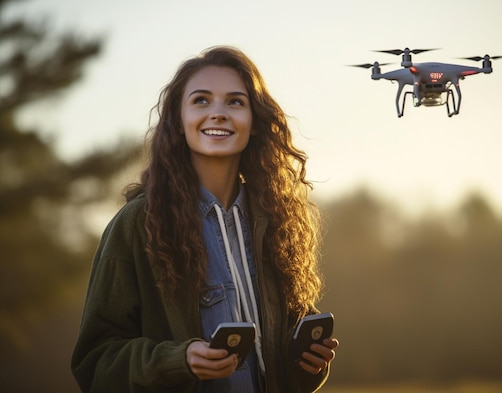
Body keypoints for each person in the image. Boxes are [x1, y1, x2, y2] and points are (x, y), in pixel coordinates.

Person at [71, 46, 339, 393]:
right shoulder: (137, 224)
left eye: (235, 102)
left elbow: (283, 369)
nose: (218, 113)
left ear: (254, 122)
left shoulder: (277, 223)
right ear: (178, 122)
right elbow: (95, 362)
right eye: (201, 100)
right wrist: (179, 361)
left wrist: (307, 365)